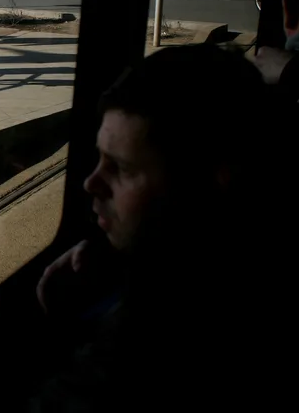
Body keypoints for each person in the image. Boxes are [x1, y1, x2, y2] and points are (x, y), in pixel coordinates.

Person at [33, 45, 272, 410]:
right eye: (99, 159)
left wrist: (58, 329)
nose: (91, 183)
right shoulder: (171, 264)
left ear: (209, 183)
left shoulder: (150, 338)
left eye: (122, 168)